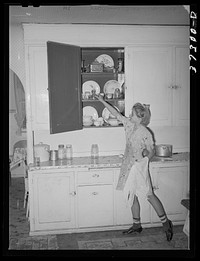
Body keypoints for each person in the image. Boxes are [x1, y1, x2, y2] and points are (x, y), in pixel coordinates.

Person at [95, 95, 173, 241]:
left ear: (140, 117)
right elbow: (115, 113)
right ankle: (136, 225)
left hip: (139, 167)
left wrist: (145, 157)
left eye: (132, 114)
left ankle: (166, 224)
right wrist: (101, 100)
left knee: (149, 195)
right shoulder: (128, 124)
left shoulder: (146, 132)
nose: (129, 115)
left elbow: (152, 151)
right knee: (131, 194)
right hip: (128, 166)